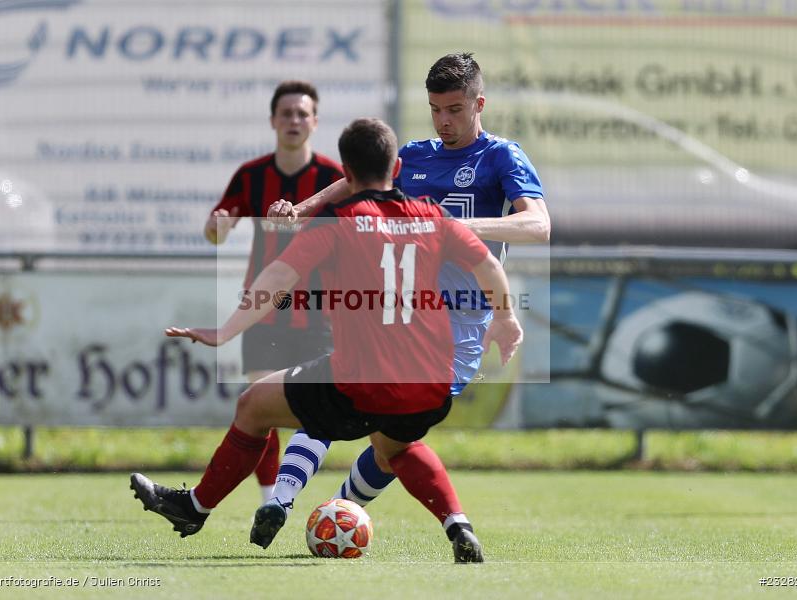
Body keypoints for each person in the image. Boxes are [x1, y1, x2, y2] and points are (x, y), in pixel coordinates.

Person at [131, 117, 523, 563]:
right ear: (397, 170)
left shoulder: (339, 222)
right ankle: (459, 526)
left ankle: (194, 508)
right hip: (428, 384)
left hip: (358, 381)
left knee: (254, 406)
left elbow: (277, 277)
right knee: (397, 445)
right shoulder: (433, 218)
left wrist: (226, 332)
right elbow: (490, 268)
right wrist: (507, 319)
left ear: (347, 174)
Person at [252, 52, 551, 547]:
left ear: (480, 103)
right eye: (436, 109)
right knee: (333, 393)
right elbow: (353, 182)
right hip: (395, 315)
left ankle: (340, 509)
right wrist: (301, 209)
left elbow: (537, 226)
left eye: (455, 108)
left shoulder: (500, 156)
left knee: (394, 440)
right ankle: (282, 500)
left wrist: (455, 229)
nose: (445, 120)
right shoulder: (414, 154)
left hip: (460, 328)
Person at [204, 80, 343, 502]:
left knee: (317, 413)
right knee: (259, 408)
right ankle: (270, 503)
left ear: (315, 122)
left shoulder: (332, 178)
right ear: (273, 121)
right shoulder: (251, 175)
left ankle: (287, 493)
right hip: (263, 313)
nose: (294, 121)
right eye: (287, 113)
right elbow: (217, 227)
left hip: (318, 313)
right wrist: (217, 227)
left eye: (303, 113)